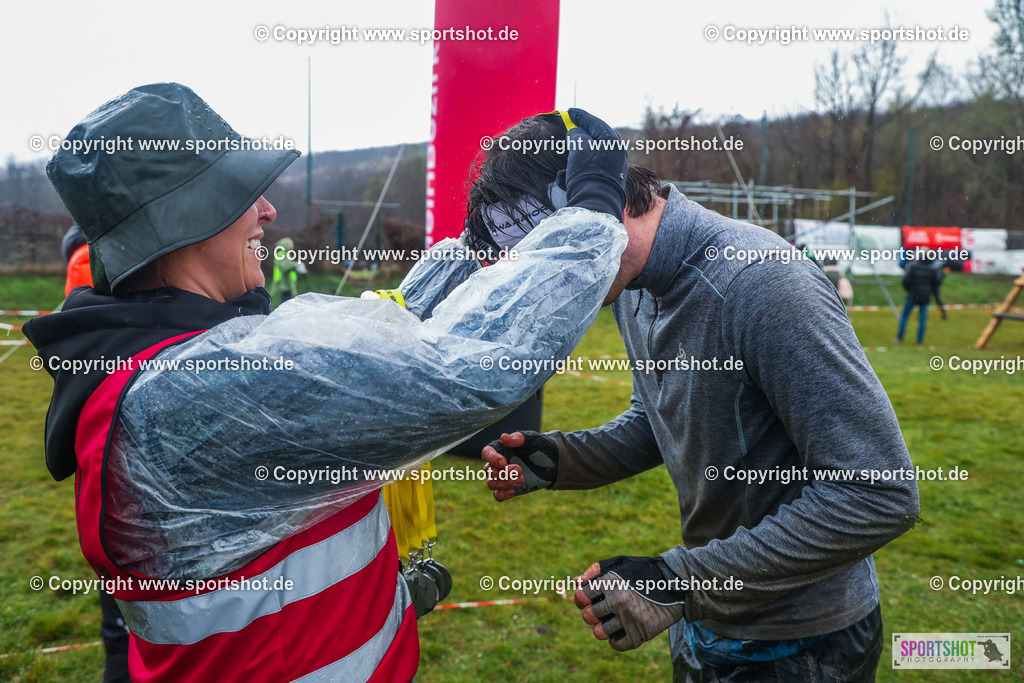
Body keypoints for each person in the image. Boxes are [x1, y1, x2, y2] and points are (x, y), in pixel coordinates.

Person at [24, 84, 627, 682]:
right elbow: (463, 371)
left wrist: (474, 247)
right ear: (183, 221)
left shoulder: (172, 360)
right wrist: (593, 210)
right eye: (241, 195)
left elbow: (381, 341)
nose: (268, 211)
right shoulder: (196, 389)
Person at [478, 110, 920, 681]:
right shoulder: (633, 283)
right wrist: (560, 460)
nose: (552, 283)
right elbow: (660, 419)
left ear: (595, 205)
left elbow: (878, 494)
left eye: (552, 255)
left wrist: (674, 582)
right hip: (711, 618)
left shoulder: (762, 283)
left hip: (802, 647)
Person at [60, 223, 132, 683]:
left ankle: (118, 654)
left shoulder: (83, 255)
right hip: (119, 406)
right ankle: (119, 657)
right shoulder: (97, 253)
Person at [895, 250, 947, 346]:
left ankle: (899, 338)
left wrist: (909, 289)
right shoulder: (933, 269)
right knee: (922, 319)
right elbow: (936, 283)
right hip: (925, 296)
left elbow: (906, 281)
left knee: (905, 316)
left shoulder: (914, 266)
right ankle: (919, 341)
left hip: (912, 294)